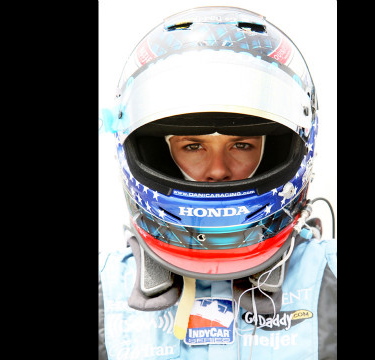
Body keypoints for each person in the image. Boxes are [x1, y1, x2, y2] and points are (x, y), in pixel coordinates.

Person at [99, 6, 336, 359]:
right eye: (193, 146)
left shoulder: (328, 276)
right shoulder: (107, 292)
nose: (218, 169)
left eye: (241, 144)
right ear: (154, 152)